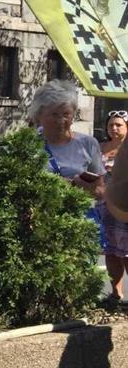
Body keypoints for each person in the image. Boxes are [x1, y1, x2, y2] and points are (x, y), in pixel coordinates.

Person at [31, 80, 104, 237]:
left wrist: (90, 188)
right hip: (39, 225)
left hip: (78, 226)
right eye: (54, 115)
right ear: (39, 115)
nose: (61, 121)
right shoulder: (28, 144)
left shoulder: (88, 144)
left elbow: (101, 191)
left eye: (66, 114)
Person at [100, 110, 128, 303]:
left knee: (126, 252)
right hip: (104, 205)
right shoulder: (99, 147)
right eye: (111, 125)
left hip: (124, 205)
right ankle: (115, 293)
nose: (114, 128)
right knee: (110, 251)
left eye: (119, 125)